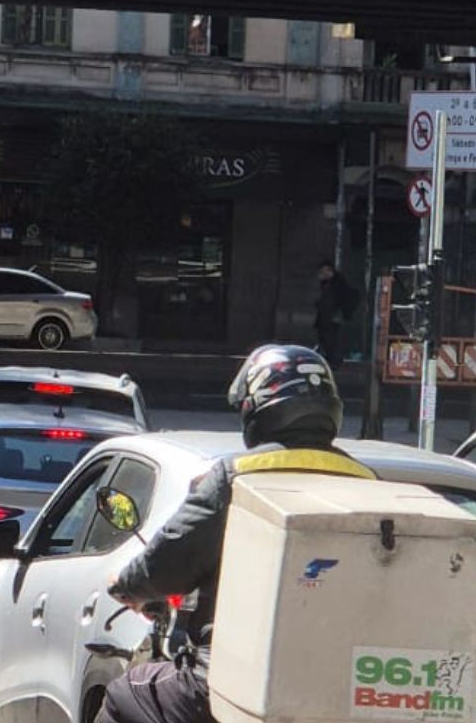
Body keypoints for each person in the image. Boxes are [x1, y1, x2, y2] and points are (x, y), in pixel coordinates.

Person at [98, 344, 371, 723]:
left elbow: (168, 560)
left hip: (233, 685)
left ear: (257, 406)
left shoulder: (236, 477)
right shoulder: (367, 483)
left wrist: (126, 585)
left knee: (123, 694)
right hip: (343, 689)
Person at [313, 261, 356, 363]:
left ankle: (334, 359)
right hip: (326, 316)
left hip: (333, 316)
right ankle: (330, 358)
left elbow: (338, 299)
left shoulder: (338, 283)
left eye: (324, 271)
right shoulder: (326, 283)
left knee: (331, 339)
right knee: (325, 338)